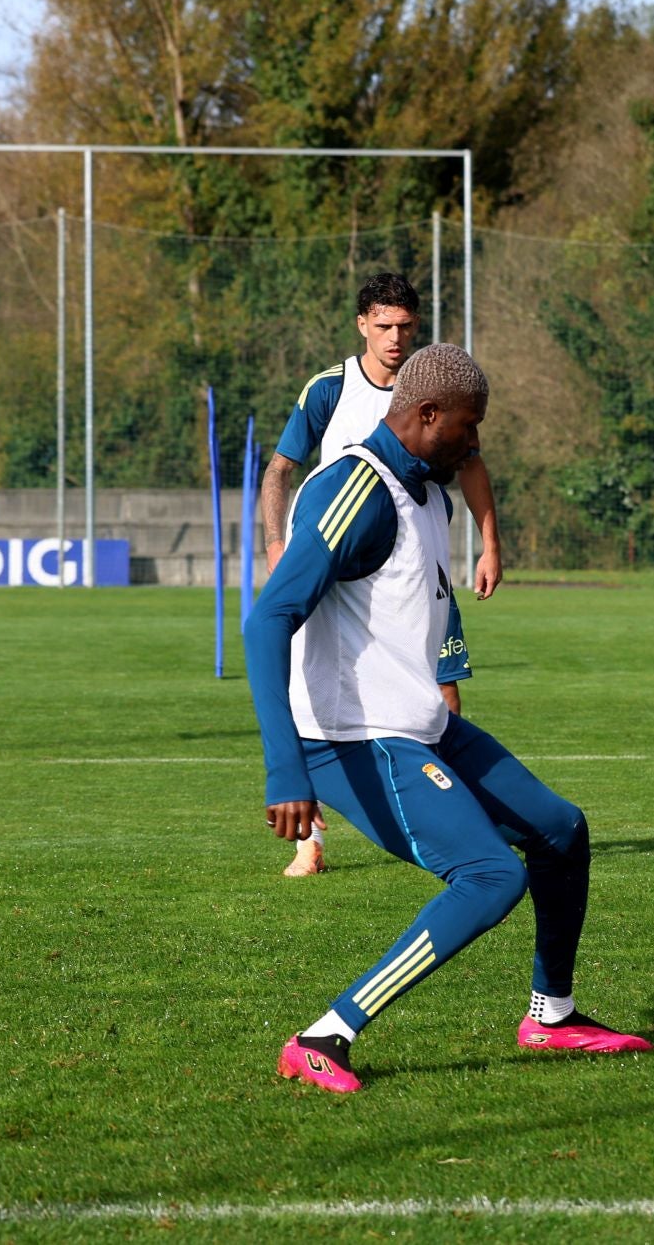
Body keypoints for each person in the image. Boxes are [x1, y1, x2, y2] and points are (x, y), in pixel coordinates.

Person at [244, 344, 650, 1094]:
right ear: (426, 415)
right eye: (469, 425)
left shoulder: (427, 493)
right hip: (350, 736)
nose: (476, 440)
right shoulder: (355, 490)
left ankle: (552, 1015)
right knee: (490, 875)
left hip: (422, 723)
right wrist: (284, 765)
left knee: (561, 829)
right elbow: (268, 619)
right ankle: (323, 1033)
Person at [260, 273, 503, 877]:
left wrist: (489, 542)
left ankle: (452, 813)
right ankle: (309, 840)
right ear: (362, 324)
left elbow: (472, 465)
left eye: (406, 327)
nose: (396, 337)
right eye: (385, 325)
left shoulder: (436, 389)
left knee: (445, 690)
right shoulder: (330, 390)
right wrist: (275, 543)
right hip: (342, 575)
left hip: (419, 569)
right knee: (313, 695)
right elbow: (279, 470)